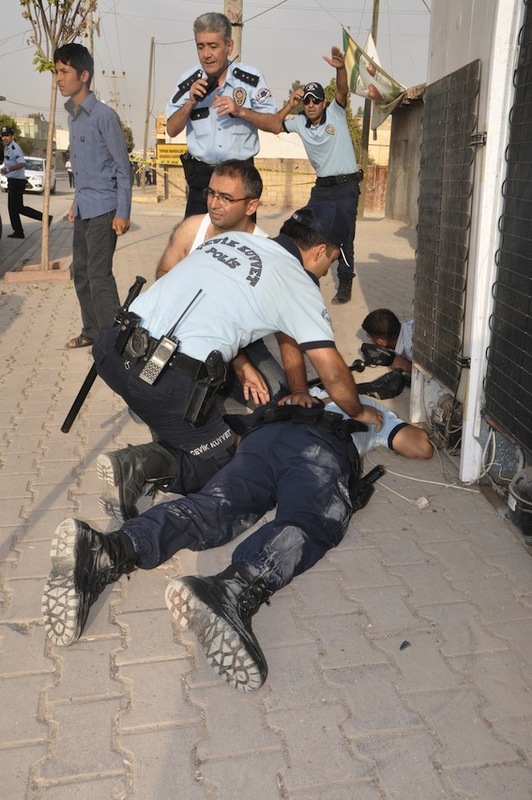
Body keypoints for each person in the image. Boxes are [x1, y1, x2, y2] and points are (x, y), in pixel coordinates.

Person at [42, 390, 432, 692]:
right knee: (311, 521)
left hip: (262, 443)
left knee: (211, 509)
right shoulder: (366, 406)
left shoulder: (304, 390)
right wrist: (385, 420)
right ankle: (231, 590)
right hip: (318, 450)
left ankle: (110, 550)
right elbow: (420, 447)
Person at [87, 202, 383, 528]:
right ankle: (140, 465)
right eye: (332, 260)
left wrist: (291, 386)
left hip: (111, 352)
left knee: (231, 400)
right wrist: (357, 411)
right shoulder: (299, 285)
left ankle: (168, 427)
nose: (328, 271)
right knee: (233, 460)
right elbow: (333, 371)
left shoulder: (230, 240)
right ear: (320, 250)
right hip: (163, 383)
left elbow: (285, 328)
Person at [97, 160, 292, 522]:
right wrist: (239, 365)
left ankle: (213, 442)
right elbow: (164, 274)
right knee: (169, 399)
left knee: (280, 399)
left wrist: (252, 364)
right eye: (211, 194)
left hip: (241, 345)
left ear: (251, 205)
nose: (215, 204)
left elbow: (280, 328)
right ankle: (170, 456)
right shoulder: (193, 227)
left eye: (226, 198)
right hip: (185, 345)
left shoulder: (266, 252)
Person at [220, 46, 361, 305]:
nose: (310, 105)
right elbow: (274, 124)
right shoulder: (299, 121)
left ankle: (345, 280)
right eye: (306, 101)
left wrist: (341, 69)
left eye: (315, 100)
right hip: (322, 188)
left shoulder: (336, 113)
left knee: (344, 235)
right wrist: (289, 105)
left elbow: (342, 90)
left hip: (346, 186)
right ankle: (304, 277)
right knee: (305, 227)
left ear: (323, 102)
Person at [54, 43, 132, 350]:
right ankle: (92, 330)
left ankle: (116, 340)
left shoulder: (104, 116)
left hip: (105, 208)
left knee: (100, 275)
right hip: (84, 209)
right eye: (56, 72)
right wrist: (74, 205)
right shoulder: (73, 116)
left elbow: (123, 168)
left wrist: (123, 211)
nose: (59, 78)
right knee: (82, 272)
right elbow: (85, 168)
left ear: (83, 75)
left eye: (64, 72)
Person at [165, 12, 278, 217]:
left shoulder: (250, 79)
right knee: (197, 246)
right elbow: (171, 129)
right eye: (201, 47)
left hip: (239, 180)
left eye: (213, 46)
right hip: (202, 181)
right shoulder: (188, 81)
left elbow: (275, 124)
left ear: (229, 46)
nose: (206, 54)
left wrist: (241, 111)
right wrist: (190, 102)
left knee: (238, 246)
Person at [0, 126, 52, 239]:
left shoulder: (15, 148)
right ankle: (18, 231)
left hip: (17, 182)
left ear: (12, 136)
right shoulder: (8, 148)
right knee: (12, 208)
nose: (5, 138)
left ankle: (45, 218)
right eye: (3, 136)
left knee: (18, 208)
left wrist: (7, 170)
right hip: (13, 181)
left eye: (7, 136)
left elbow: (22, 163)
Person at [362, 308, 414, 374]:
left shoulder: (410, 351)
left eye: (370, 337)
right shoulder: (410, 325)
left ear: (380, 342)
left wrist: (407, 366)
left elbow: (429, 374)